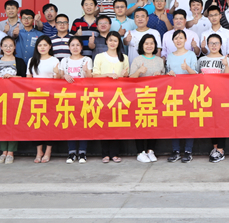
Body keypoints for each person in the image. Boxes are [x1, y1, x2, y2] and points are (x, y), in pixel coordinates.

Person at [0, 36, 27, 165]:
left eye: (11, 45)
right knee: (2, 124)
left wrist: (13, 77)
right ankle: (3, 152)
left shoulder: (19, 61)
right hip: (0, 98)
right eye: (5, 46)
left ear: (15, 47)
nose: (8, 48)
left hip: (15, 98)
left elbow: (25, 79)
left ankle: (11, 152)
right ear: (1, 47)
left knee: (13, 123)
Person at [92, 31, 129, 163]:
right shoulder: (99, 57)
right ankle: (105, 154)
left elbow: (127, 77)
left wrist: (123, 75)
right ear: (106, 41)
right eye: (110, 40)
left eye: (115, 41)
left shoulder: (124, 57)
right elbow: (94, 75)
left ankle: (114, 153)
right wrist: (107, 75)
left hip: (118, 96)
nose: (113, 43)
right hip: (103, 95)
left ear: (119, 43)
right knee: (104, 123)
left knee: (116, 124)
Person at [129, 34, 165, 163]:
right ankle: (140, 152)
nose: (149, 46)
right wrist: (139, 71)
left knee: (153, 124)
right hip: (140, 97)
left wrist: (159, 75)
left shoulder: (159, 60)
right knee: (140, 124)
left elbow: (164, 79)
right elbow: (130, 78)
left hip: (155, 97)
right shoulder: (137, 60)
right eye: (146, 43)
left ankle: (150, 150)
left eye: (151, 43)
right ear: (142, 45)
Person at [197, 33, 229, 163]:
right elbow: (196, 77)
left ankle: (221, 150)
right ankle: (215, 148)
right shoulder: (201, 60)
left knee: (221, 122)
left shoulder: (225, 58)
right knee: (211, 123)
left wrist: (226, 65)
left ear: (221, 45)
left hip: (221, 96)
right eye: (211, 43)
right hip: (206, 97)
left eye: (216, 43)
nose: (213, 45)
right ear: (207, 45)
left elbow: (228, 78)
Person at [58, 36, 93, 164]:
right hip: (68, 97)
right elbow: (59, 77)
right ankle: (71, 152)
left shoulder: (87, 60)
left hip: (83, 96)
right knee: (70, 123)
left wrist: (86, 72)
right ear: (69, 47)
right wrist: (64, 76)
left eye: (78, 45)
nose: (75, 47)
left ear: (81, 47)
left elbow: (91, 78)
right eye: (72, 45)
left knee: (83, 123)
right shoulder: (64, 61)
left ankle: (82, 152)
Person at [165, 30, 198, 163]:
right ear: (173, 41)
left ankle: (188, 150)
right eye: (176, 38)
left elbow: (196, 74)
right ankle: (176, 150)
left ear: (185, 40)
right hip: (173, 93)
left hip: (188, 93)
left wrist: (187, 68)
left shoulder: (191, 54)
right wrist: (169, 74)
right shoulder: (169, 56)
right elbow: (166, 73)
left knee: (189, 122)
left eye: (181, 38)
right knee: (175, 122)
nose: (178, 40)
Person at [26, 35, 60, 163]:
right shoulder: (32, 60)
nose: (42, 47)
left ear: (50, 46)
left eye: (45, 45)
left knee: (49, 125)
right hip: (36, 97)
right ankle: (39, 151)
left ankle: (48, 151)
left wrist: (57, 73)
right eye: (40, 45)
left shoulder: (54, 60)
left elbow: (58, 81)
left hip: (50, 97)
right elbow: (28, 80)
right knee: (37, 124)